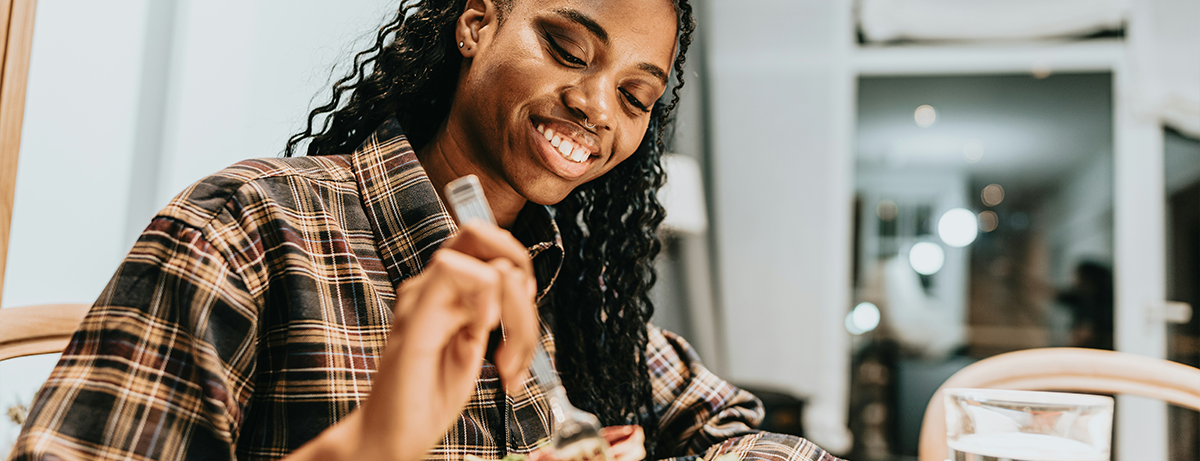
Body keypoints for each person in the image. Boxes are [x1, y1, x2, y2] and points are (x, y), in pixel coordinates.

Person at [11, 1, 842, 460]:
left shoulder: (573, 295)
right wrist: (373, 445)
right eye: (565, 46)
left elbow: (744, 436)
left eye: (636, 96)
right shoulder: (250, 226)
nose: (595, 107)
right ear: (477, 21)